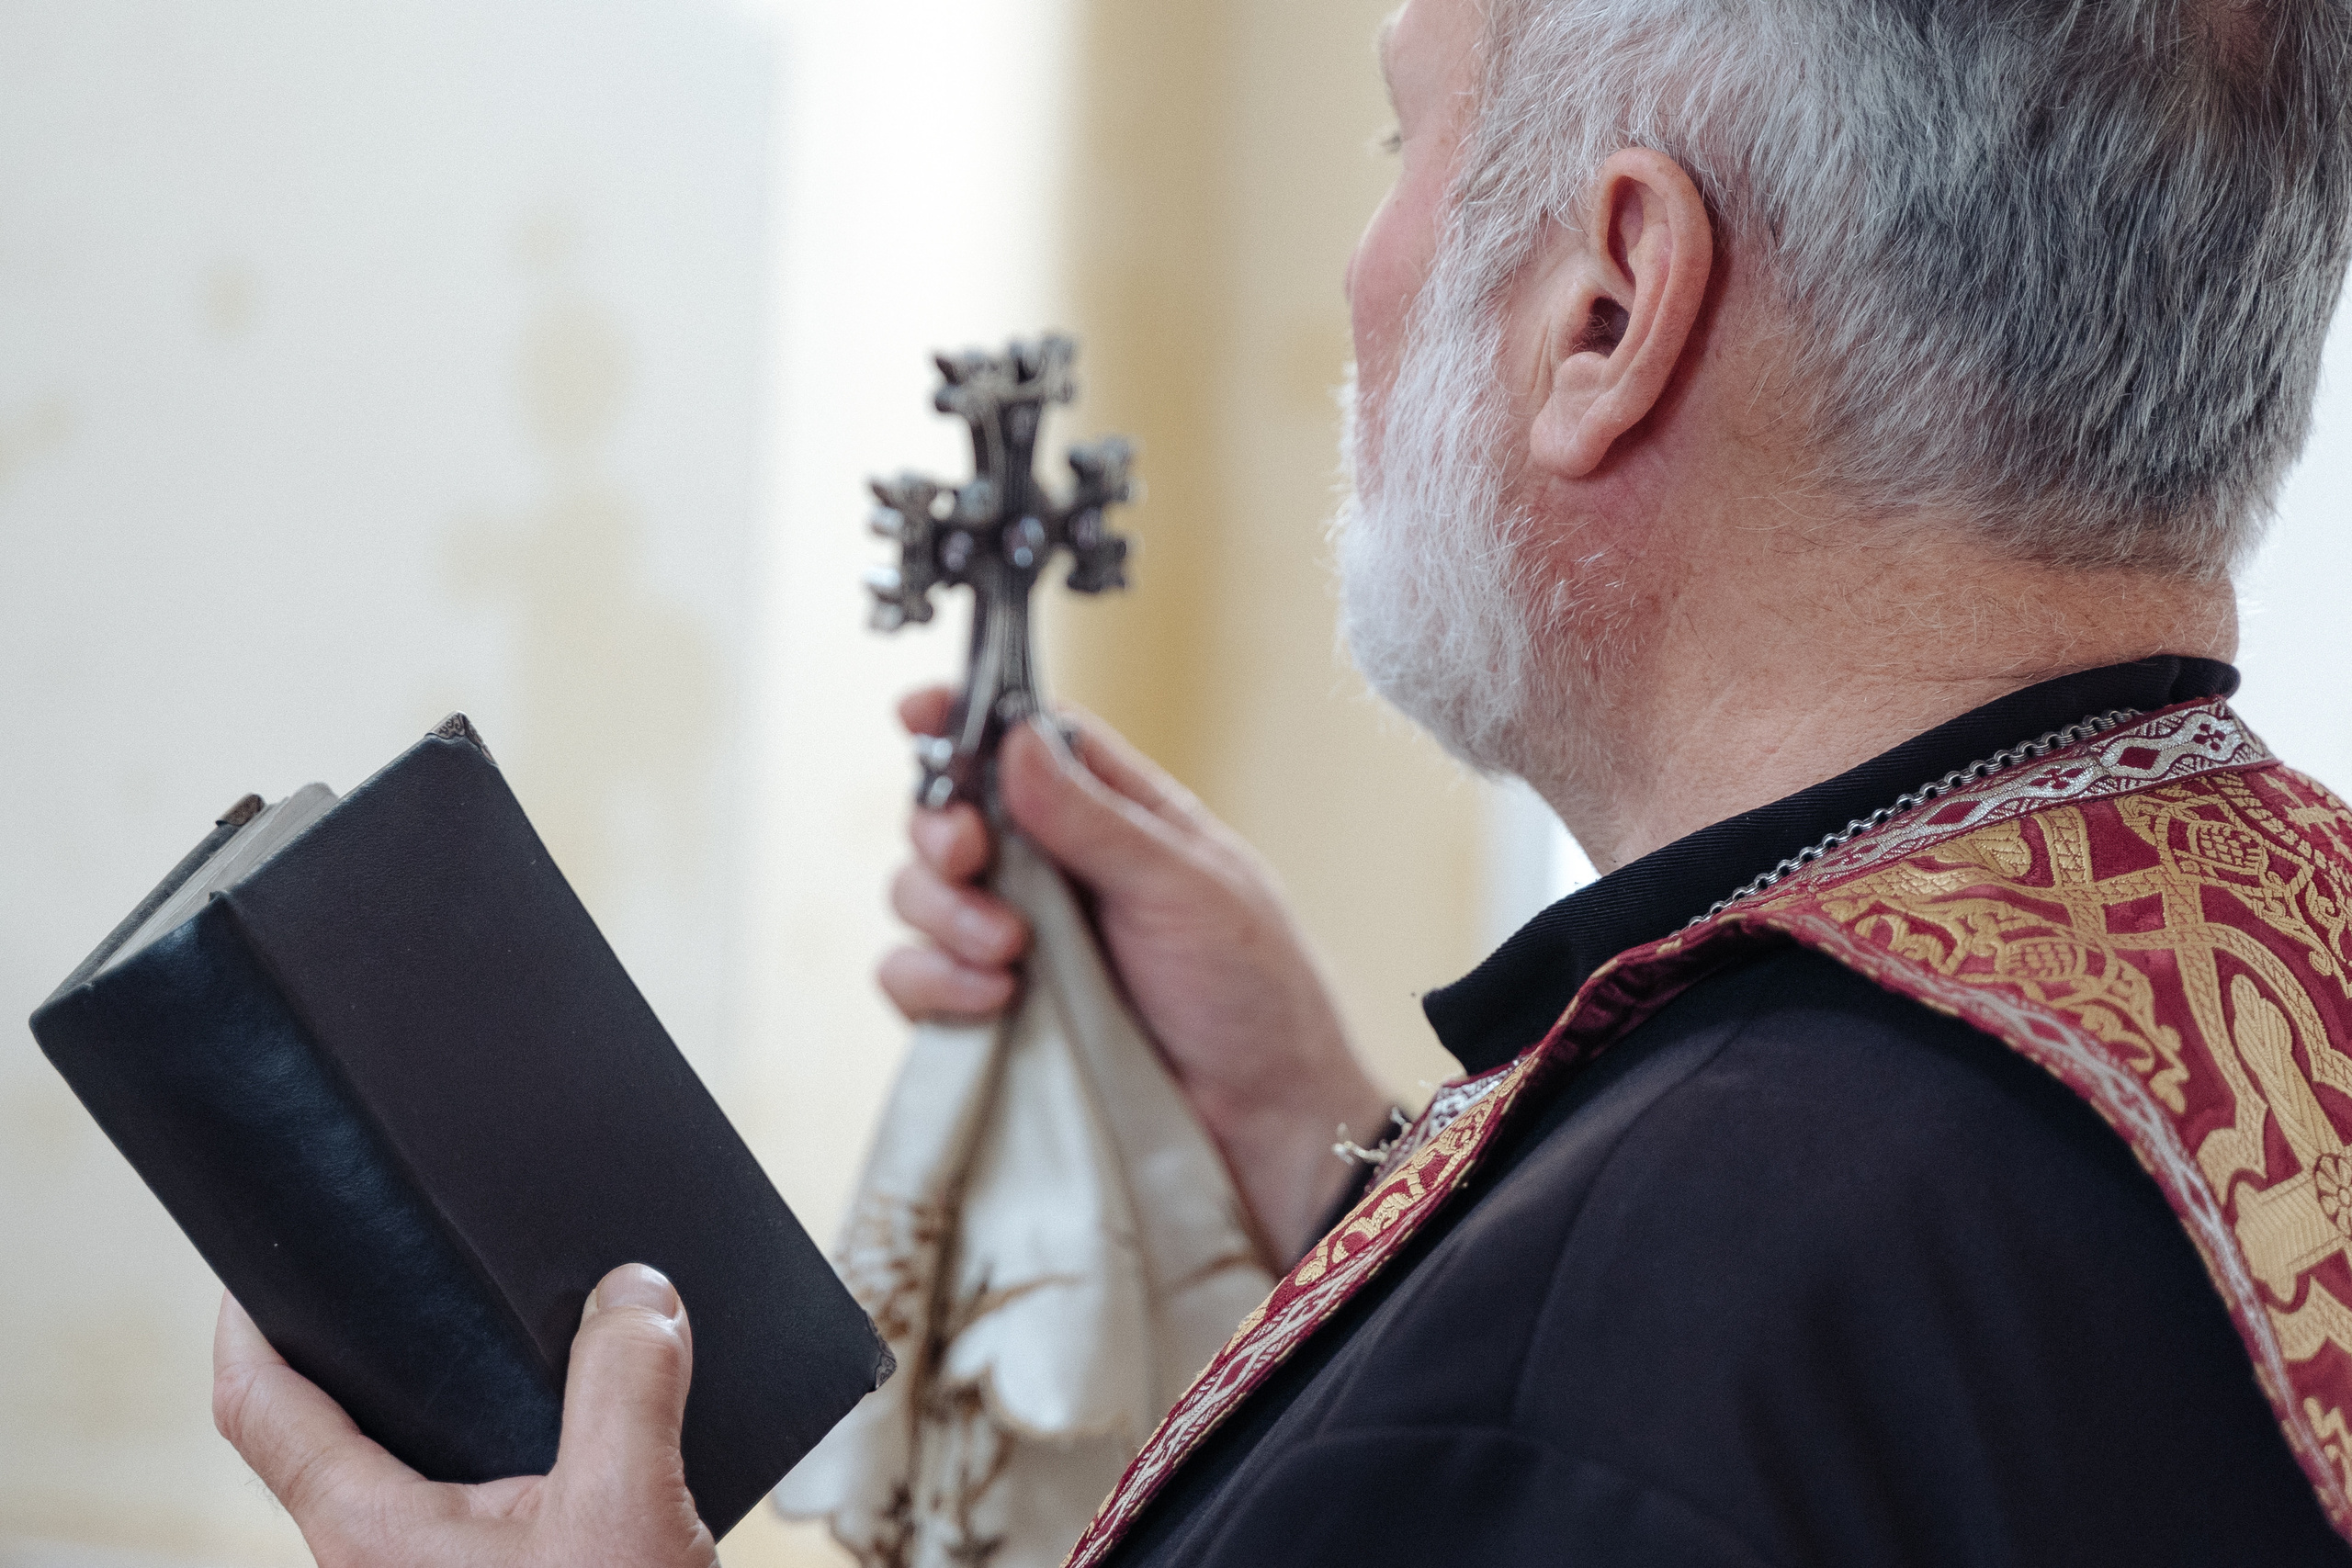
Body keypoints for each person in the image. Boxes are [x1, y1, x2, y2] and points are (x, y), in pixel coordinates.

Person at [214, 0, 2352, 1562]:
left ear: (1605, 301)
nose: (1366, 264)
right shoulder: (2277, 944)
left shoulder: (1605, 1365)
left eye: (1400, 134)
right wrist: (1357, 1175)